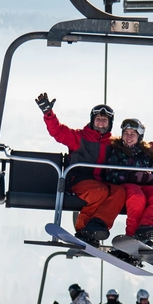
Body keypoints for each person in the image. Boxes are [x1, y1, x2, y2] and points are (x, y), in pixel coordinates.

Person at [36, 94, 125, 243]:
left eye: (104, 120)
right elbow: (58, 131)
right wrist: (48, 113)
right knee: (100, 192)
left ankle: (97, 226)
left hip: (101, 182)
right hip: (79, 180)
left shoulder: (112, 143)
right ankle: (83, 229)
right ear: (92, 120)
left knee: (119, 192)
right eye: (98, 119)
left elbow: (135, 147)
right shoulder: (79, 137)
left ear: (110, 123)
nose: (101, 123)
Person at [104, 118, 153, 245]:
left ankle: (146, 229)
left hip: (143, 186)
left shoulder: (145, 151)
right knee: (137, 197)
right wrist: (131, 176)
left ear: (139, 137)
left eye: (132, 134)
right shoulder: (116, 150)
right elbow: (109, 174)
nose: (128, 137)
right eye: (126, 133)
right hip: (125, 186)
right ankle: (131, 235)